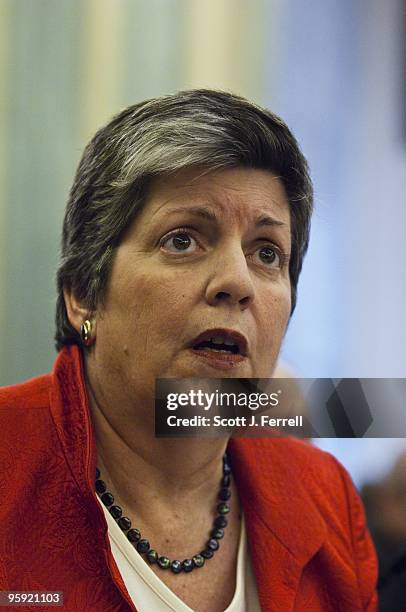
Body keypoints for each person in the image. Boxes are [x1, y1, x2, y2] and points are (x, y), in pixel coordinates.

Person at [0, 90, 377, 611]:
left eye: (267, 253)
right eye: (183, 240)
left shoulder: (325, 496)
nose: (237, 282)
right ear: (83, 293)